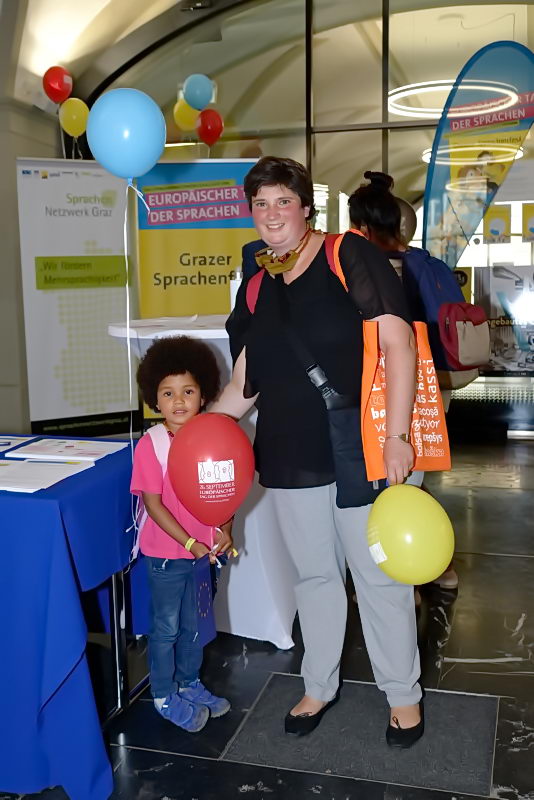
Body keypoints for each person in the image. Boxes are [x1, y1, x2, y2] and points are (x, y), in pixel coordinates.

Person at [212, 156, 424, 748]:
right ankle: (319, 684)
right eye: (261, 203)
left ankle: (402, 694)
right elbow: (245, 383)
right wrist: (199, 432)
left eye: (284, 200)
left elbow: (399, 345)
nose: (272, 213)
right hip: (289, 451)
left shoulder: (346, 254)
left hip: (358, 446)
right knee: (314, 577)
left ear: (306, 207)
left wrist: (398, 436)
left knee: (379, 578)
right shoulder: (257, 281)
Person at [347, 170, 458, 591]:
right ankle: (437, 567)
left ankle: (403, 579)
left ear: (360, 224)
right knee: (413, 474)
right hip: (435, 382)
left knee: (392, 478)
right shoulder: (422, 262)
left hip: (390, 386)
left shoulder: (364, 266)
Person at [131, 336, 233, 732]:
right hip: (166, 556)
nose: (178, 401)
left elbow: (225, 490)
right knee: (167, 628)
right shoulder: (151, 445)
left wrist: (225, 529)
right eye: (168, 393)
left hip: (201, 555)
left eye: (188, 391)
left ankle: (189, 683)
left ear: (203, 394)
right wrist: (188, 542)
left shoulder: (214, 435)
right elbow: (153, 504)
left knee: (195, 625)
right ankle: (163, 694)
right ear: (154, 399)